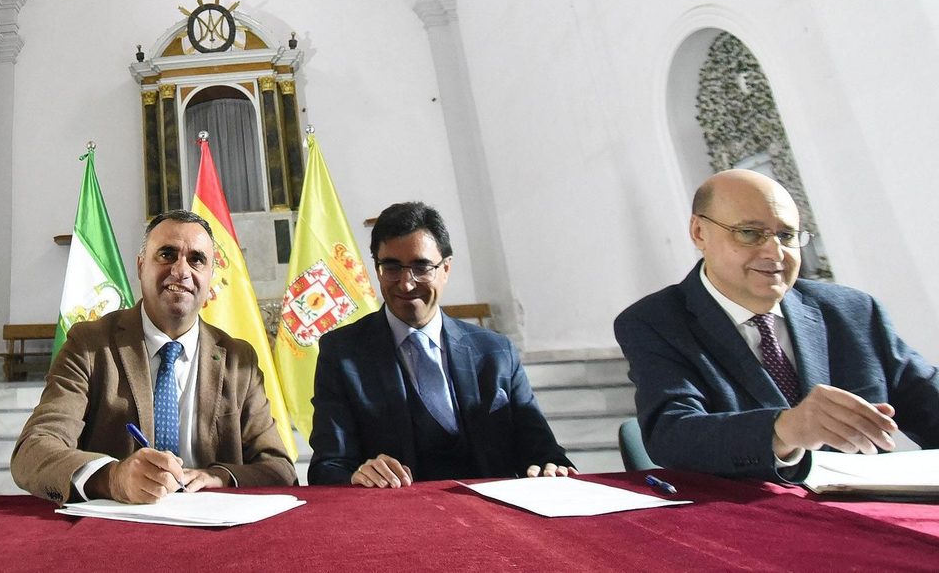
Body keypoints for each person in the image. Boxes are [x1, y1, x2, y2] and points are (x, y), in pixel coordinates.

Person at [615, 169, 939, 480]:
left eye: (786, 235)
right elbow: (673, 435)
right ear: (699, 232)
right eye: (749, 233)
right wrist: (785, 428)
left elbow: (928, 402)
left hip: (869, 512)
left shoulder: (853, 311)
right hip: (748, 519)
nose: (775, 252)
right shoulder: (655, 321)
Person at [11, 210, 296, 504]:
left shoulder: (239, 359)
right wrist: (112, 478)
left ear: (211, 277)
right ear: (140, 266)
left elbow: (280, 469)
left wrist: (220, 477)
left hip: (213, 530)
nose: (181, 270)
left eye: (196, 259)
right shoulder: (90, 346)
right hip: (115, 530)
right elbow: (33, 451)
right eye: (167, 254)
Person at [309, 202, 573, 486]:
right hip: (396, 520)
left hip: (492, 519)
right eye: (392, 267)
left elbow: (545, 454)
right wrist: (357, 476)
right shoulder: (343, 353)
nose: (406, 284)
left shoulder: (496, 353)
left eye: (421, 267)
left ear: (445, 268)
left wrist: (552, 469)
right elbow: (327, 467)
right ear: (377, 269)